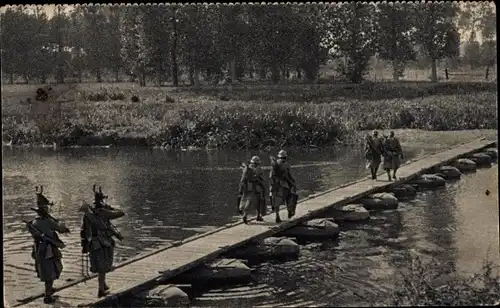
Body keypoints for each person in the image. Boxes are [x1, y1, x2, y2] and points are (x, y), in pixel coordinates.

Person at [26, 186, 70, 304]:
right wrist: (62, 223)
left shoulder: (35, 221)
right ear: (44, 209)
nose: (48, 210)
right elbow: (61, 229)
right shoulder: (47, 221)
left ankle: (49, 291)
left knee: (47, 271)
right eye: (47, 208)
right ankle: (48, 295)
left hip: (38, 250)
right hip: (48, 250)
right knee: (51, 271)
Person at [80, 185, 125, 297]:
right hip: (103, 242)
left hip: (92, 243)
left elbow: (84, 230)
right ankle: (101, 290)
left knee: (101, 266)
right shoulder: (103, 212)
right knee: (103, 266)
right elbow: (121, 213)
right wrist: (110, 208)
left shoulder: (88, 215)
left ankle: (103, 285)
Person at [269, 150, 297, 223]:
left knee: (275, 199)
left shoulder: (274, 164)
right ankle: (290, 211)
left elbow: (271, 176)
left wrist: (272, 184)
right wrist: (293, 183)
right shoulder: (286, 164)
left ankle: (277, 215)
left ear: (279, 156)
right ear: (285, 157)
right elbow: (290, 175)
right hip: (284, 185)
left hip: (275, 184)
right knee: (290, 197)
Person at [238, 156, 266, 224]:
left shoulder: (247, 168)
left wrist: (241, 188)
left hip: (247, 186)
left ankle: (245, 215)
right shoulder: (259, 169)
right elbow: (262, 179)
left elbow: (243, 179)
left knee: (247, 200)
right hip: (256, 186)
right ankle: (258, 216)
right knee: (258, 201)